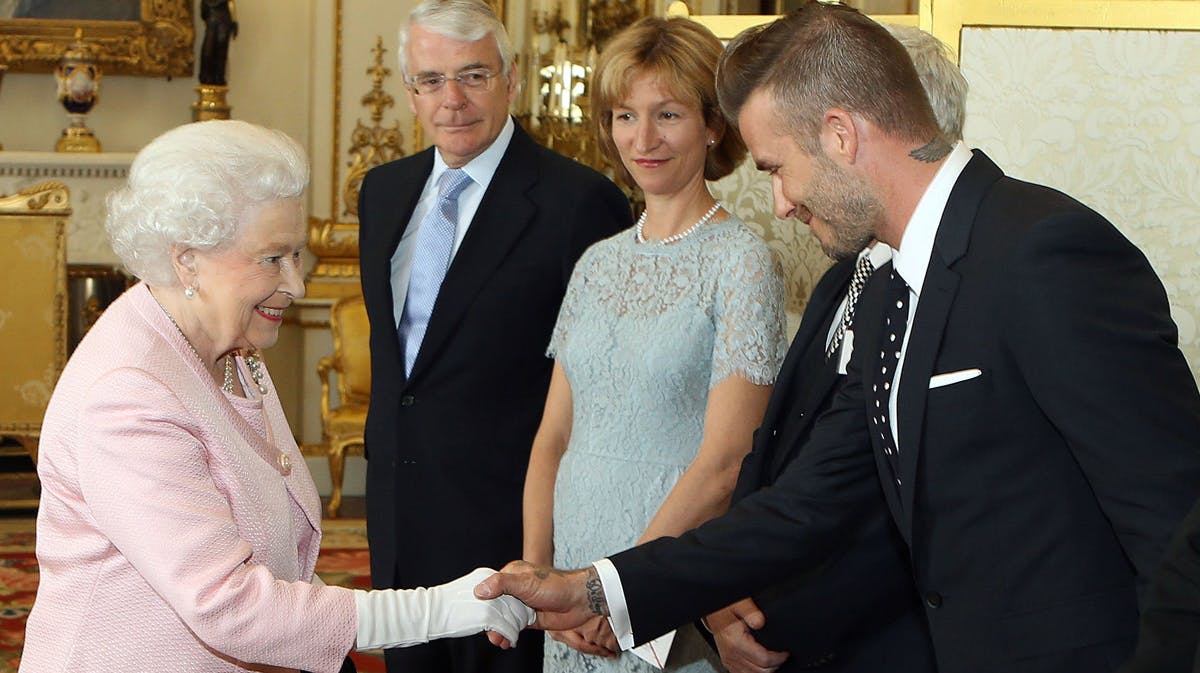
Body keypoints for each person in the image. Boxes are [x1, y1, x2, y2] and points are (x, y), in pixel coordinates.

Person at [476, 4, 1200, 672]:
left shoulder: (1043, 252)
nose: (782, 203)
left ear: (841, 135)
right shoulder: (886, 291)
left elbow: (1174, 518)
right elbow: (810, 502)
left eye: (777, 170)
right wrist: (599, 587)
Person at [18, 120, 533, 673]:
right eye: (272, 258)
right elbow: (230, 606)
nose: (297, 284)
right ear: (186, 257)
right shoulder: (128, 394)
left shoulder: (234, 352)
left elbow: (275, 559)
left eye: (297, 255)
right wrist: (443, 609)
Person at [356, 1, 632, 672]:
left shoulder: (579, 202)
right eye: (429, 80)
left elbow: (605, 390)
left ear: (511, 78)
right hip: (400, 521)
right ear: (409, 90)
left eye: (473, 75)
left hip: (511, 534)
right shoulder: (382, 193)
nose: (451, 100)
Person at [522, 16, 786, 673]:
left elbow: (727, 460)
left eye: (667, 114)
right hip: (573, 582)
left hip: (669, 578)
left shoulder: (741, 261)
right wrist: (540, 578)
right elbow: (553, 437)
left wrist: (620, 592)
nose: (642, 139)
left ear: (713, 123)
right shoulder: (597, 263)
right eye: (624, 115)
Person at [704, 23, 967, 673]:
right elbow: (780, 464)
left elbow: (888, 517)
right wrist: (720, 595)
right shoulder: (838, 281)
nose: (783, 203)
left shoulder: (975, 279)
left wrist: (767, 620)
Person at [199, 0, 239, 86]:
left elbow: (231, 5)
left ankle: (218, 77)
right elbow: (203, 12)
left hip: (223, 21)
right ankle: (207, 76)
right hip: (213, 20)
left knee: (220, 50)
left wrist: (234, 22)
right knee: (208, 50)